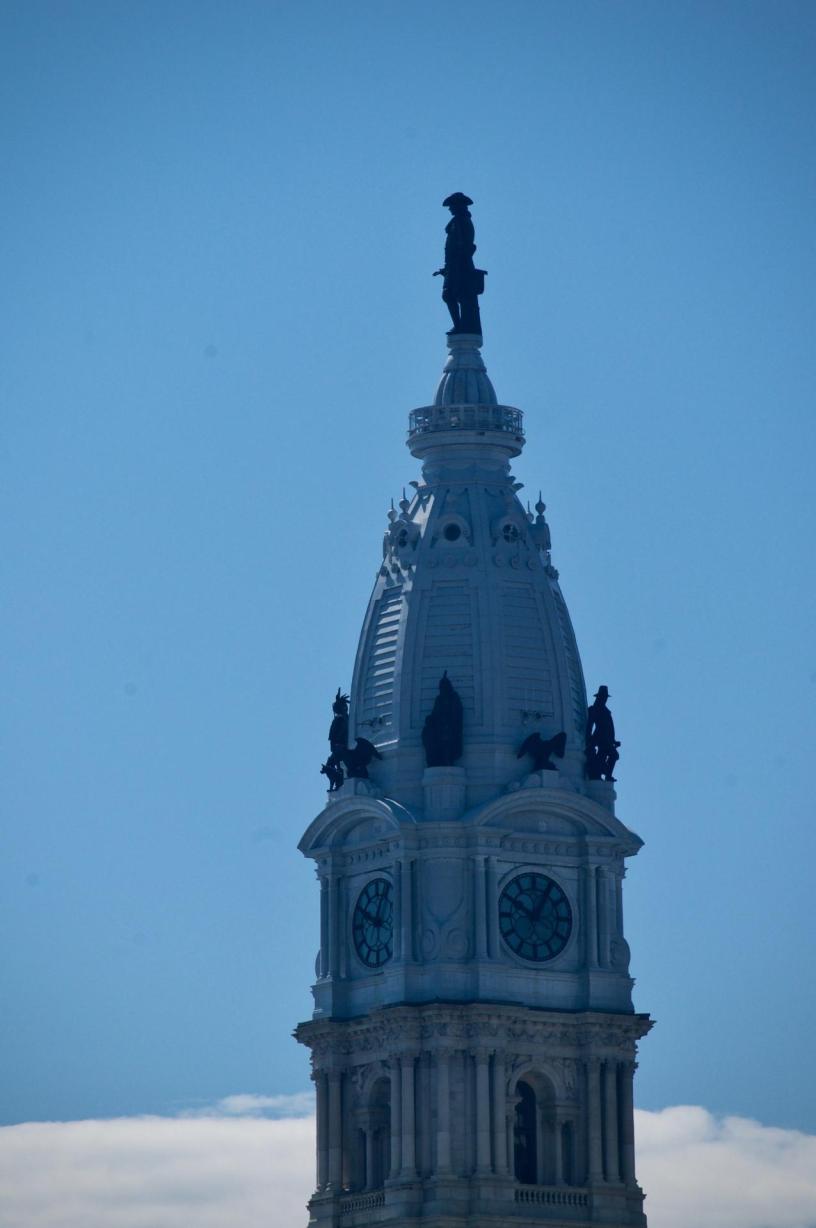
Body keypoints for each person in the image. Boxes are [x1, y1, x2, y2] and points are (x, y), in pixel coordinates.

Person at [434, 192, 485, 335]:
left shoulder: (462, 222)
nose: (450, 209)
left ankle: (462, 325)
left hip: (460, 266)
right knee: (449, 295)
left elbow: (465, 247)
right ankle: (458, 325)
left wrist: (457, 264)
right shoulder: (456, 223)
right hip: (453, 265)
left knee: (459, 295)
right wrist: (447, 267)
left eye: (452, 206)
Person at [585, 685, 621, 781]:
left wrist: (614, 741)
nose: (605, 699)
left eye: (605, 697)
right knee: (613, 755)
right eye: (603, 697)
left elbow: (610, 728)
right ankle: (606, 775)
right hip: (600, 738)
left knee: (605, 756)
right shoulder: (594, 709)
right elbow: (589, 725)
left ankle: (603, 774)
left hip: (607, 740)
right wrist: (589, 738)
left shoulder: (606, 711)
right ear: (599, 697)